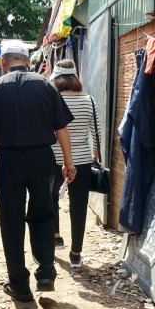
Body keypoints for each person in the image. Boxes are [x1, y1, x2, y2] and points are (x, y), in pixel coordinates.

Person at [0, 40, 77, 302]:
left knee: (11, 220)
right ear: (28, 62)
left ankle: (20, 285)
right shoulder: (45, 85)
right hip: (42, 159)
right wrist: (68, 162)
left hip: (8, 161)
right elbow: (61, 128)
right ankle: (46, 272)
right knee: (43, 213)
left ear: (3, 62)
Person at [49, 60, 100, 269]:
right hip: (82, 160)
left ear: (56, 78)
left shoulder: (52, 99)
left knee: (51, 197)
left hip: (54, 158)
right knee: (79, 205)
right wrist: (95, 154)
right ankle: (76, 253)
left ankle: (56, 237)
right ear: (75, 77)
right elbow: (96, 131)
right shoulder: (89, 100)